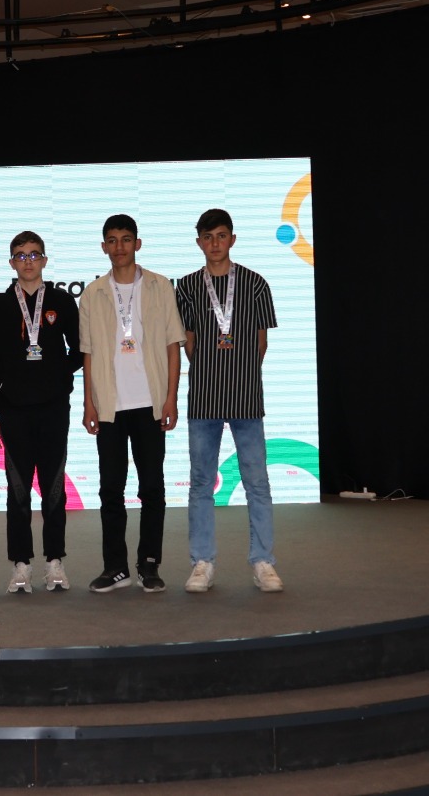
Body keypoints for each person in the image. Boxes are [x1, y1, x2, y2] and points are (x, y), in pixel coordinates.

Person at [175, 209, 282, 593]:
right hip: (203, 398)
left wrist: (238, 373)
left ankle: (263, 562)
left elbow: (261, 343)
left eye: (221, 235)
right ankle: (202, 562)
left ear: (232, 239)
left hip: (246, 399)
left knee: (257, 482)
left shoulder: (255, 284)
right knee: (201, 483)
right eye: (208, 237)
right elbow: (188, 343)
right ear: (199, 242)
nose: (215, 243)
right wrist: (211, 369)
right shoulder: (187, 287)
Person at [78, 214, 183, 594]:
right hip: (110, 405)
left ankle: (149, 564)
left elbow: (173, 345)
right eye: (112, 240)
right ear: (103, 246)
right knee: (111, 490)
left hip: (151, 403)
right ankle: (115, 567)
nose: (119, 247)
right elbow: (88, 353)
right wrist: (89, 403)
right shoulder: (93, 293)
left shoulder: (159, 286)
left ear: (137, 244)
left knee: (152, 487)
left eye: (125, 239)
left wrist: (171, 398)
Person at [0, 232, 82, 594]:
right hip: (13, 410)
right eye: (21, 256)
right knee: (18, 489)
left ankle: (55, 561)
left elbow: (80, 348)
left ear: (44, 260)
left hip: (54, 408)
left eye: (34, 255)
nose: (28, 261)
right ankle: (21, 563)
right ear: (11, 262)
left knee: (54, 488)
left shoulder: (61, 301)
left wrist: (58, 375)